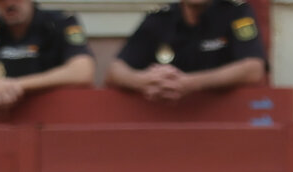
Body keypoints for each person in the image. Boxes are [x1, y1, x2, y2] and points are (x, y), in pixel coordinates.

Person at [105, 0, 266, 102]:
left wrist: (192, 83)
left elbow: (254, 69)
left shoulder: (236, 13)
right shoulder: (160, 18)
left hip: (224, 120)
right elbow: (115, 71)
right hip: (166, 121)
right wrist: (143, 81)